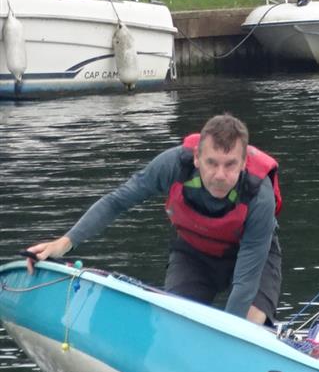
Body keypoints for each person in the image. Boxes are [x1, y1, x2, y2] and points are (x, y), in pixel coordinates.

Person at [26, 113, 282, 327]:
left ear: (244, 163)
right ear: (196, 158)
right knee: (176, 323)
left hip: (249, 256)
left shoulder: (259, 196)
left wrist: (229, 338)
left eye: (230, 165)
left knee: (249, 324)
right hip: (195, 253)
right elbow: (117, 201)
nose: (219, 175)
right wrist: (64, 243)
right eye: (211, 163)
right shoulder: (172, 165)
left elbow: (245, 281)